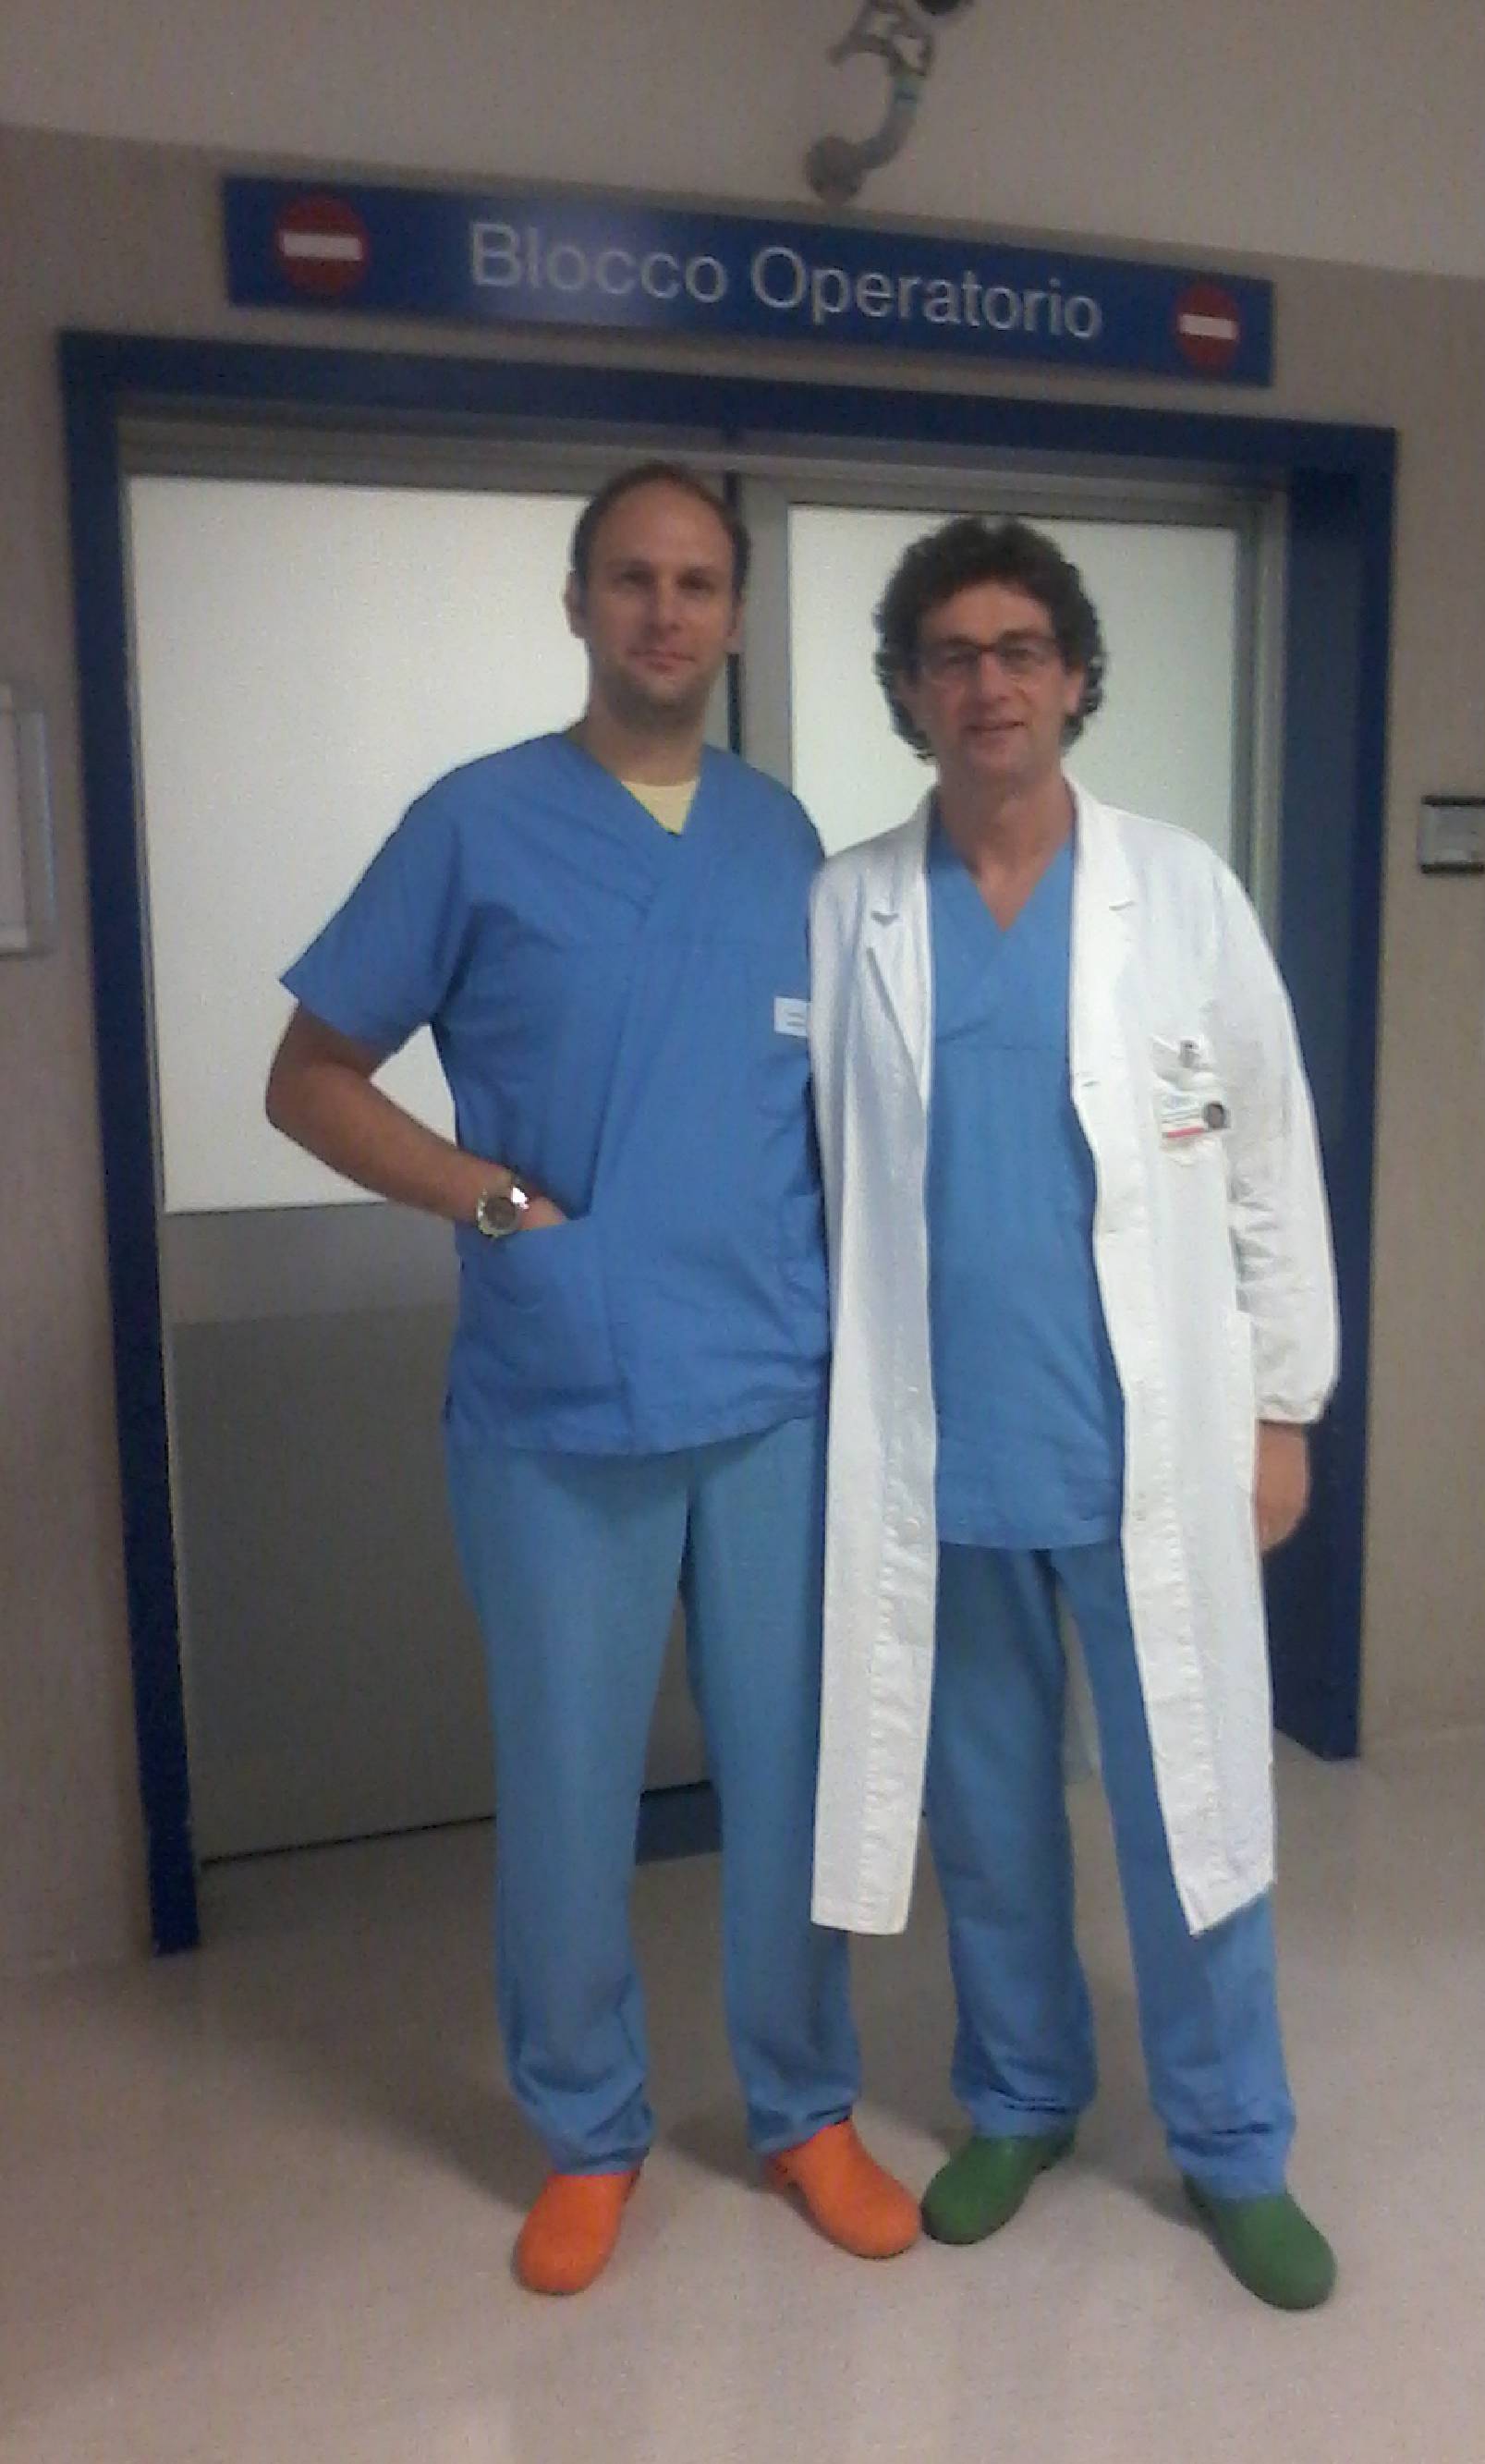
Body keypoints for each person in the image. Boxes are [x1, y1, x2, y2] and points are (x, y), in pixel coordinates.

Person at [265, 462, 919, 2295]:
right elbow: (307, 1077)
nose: (665, 611)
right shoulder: (473, 825)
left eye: (697, 582)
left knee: (789, 1776)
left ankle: (802, 2106)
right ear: (578, 603)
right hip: (561, 1396)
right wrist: (485, 1198)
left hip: (768, 1388)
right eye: (632, 577)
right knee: (568, 1787)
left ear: (733, 616)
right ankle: (587, 2128)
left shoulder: (782, 838)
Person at [806, 515, 1339, 2308]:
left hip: (1146, 1450)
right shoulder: (854, 907)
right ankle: (1022, 2097)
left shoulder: (1179, 892)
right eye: (951, 655)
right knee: (987, 1814)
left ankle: (1233, 2141)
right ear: (908, 691)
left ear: (1077, 677)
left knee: (1193, 1799)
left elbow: (1267, 1158)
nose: (989, 684)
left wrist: (1282, 1406)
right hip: (947, 1455)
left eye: (1020, 649)